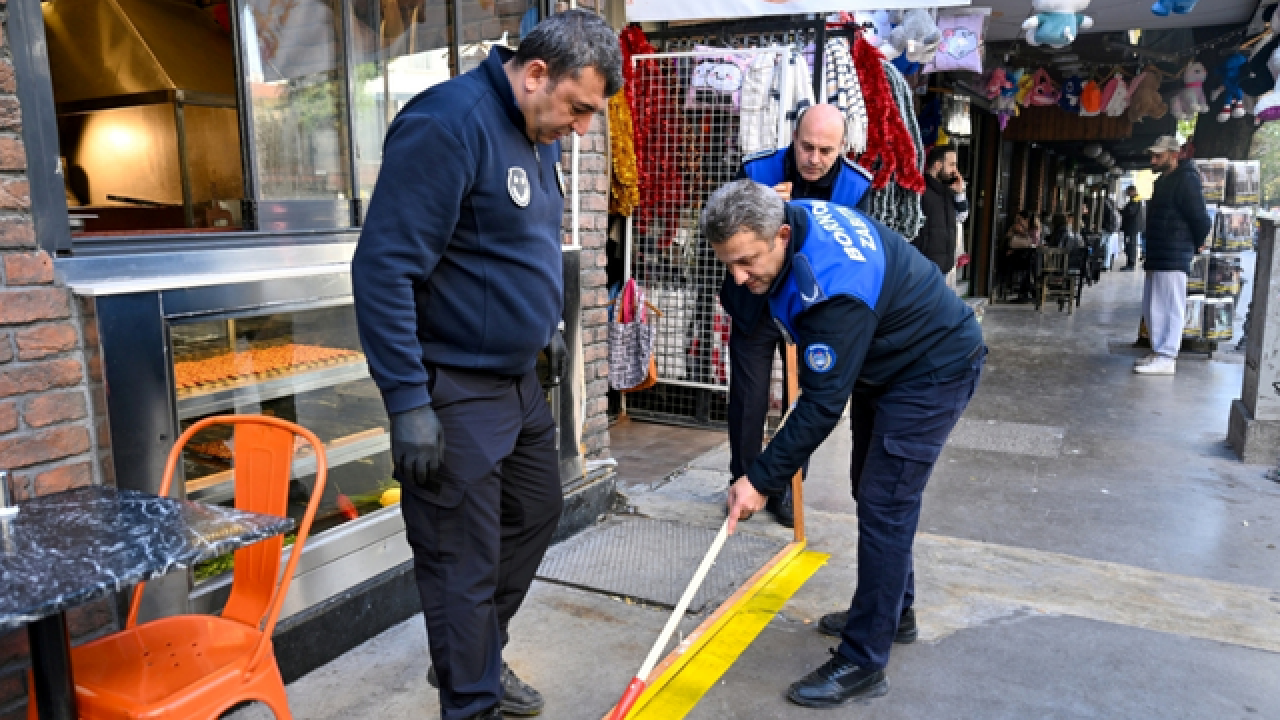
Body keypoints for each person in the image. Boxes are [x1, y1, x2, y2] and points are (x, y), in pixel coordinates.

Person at [350, 12, 622, 720]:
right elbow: (383, 270)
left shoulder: (537, 131)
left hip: (519, 381)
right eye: (579, 109)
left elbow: (515, 243)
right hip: (454, 389)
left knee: (537, 511)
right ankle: (471, 694)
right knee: (461, 564)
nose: (581, 129)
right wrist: (408, 402)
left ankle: (470, 653)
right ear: (536, 74)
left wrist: (545, 328)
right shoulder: (448, 126)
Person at [704, 180, 985, 709]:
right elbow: (749, 306)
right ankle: (894, 613)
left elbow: (820, 406)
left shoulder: (833, 290)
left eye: (746, 262)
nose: (738, 276)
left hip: (932, 367)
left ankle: (863, 661)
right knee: (871, 491)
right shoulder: (785, 220)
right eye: (728, 264)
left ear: (780, 235)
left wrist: (759, 480)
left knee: (885, 502)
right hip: (885, 362)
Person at [724, 103, 874, 527]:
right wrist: (760, 208)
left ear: (842, 148)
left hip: (813, 308)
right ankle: (742, 482)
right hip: (754, 303)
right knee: (749, 398)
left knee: (804, 397)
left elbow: (857, 253)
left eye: (826, 151)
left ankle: (788, 486)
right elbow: (725, 230)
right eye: (807, 147)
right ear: (794, 137)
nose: (814, 159)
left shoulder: (856, 186)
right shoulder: (756, 170)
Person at [1136, 135, 1211, 375]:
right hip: (1160, 252)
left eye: (1158, 155)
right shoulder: (1164, 181)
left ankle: (1167, 355)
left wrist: (1197, 243)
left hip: (1174, 252)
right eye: (1152, 155)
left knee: (1169, 305)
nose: (1153, 160)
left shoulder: (1187, 180)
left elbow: (1200, 218)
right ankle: (1159, 351)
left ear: (1174, 154)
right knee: (1154, 306)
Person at [912, 144, 970, 275]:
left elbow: (962, 216)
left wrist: (960, 193)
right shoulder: (920, 189)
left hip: (944, 267)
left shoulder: (949, 189)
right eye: (952, 165)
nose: (955, 170)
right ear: (938, 165)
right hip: (923, 268)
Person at [1004, 211, 1037, 301]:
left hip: (1021, 258)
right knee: (1029, 264)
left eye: (1020, 219)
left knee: (1030, 263)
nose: (1018, 221)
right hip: (1014, 259)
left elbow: (1029, 243)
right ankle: (1029, 289)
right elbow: (1011, 241)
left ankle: (1027, 290)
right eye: (1017, 219)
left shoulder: (1028, 230)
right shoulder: (1015, 228)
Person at [1120, 185, 1146, 271]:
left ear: (1132, 191)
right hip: (1135, 226)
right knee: (1131, 244)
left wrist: (1121, 211)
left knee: (1130, 245)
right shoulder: (1139, 199)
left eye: (1128, 192)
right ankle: (1130, 263)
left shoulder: (1135, 200)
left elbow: (1130, 211)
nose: (1127, 193)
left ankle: (1130, 264)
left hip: (1131, 227)